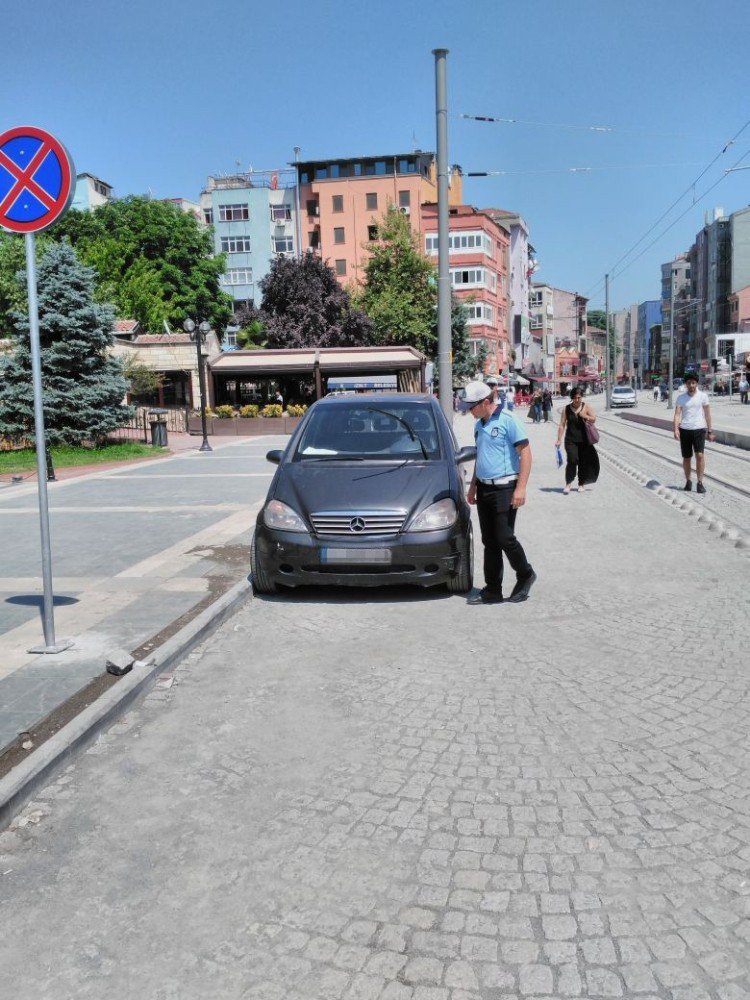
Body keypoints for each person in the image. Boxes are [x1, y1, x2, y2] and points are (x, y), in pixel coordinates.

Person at [462, 382, 536, 605]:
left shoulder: (508, 420)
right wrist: (473, 485)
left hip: (505, 487)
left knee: (504, 537)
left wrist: (521, 488)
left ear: (485, 402)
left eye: (472, 406)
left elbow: (526, 454)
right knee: (490, 541)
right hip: (484, 488)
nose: (469, 411)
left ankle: (525, 574)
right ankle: (493, 589)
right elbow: (481, 458)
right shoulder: (479, 425)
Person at [673, 372, 714, 493]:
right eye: (689, 383)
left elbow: (707, 414)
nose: (691, 385)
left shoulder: (703, 396)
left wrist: (710, 430)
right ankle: (688, 481)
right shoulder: (681, 398)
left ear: (696, 383)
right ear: (686, 384)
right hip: (685, 430)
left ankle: (700, 482)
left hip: (699, 429)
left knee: (700, 456)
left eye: (693, 383)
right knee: (686, 458)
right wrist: (675, 429)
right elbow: (677, 415)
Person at [555, 386, 600, 494]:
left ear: (582, 397)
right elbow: (562, 425)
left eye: (579, 397)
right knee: (572, 460)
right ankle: (568, 483)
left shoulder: (586, 407)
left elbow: (594, 418)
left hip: (585, 440)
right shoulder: (566, 409)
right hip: (570, 440)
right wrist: (559, 439)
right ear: (572, 398)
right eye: (575, 398)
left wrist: (585, 416)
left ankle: (581, 484)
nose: (577, 400)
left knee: (583, 462)